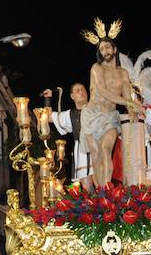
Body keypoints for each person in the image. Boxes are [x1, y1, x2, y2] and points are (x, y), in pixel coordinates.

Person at [80, 21, 143, 187]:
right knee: (96, 155)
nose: (105, 51)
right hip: (91, 116)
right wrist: (129, 102)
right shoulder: (97, 68)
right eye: (101, 49)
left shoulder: (123, 74)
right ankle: (101, 194)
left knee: (106, 149)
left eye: (107, 47)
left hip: (110, 118)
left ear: (114, 49)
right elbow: (102, 91)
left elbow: (127, 96)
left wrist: (133, 112)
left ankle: (107, 191)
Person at [44, 84, 94, 190]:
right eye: (77, 90)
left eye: (83, 89)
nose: (81, 92)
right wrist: (48, 98)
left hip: (99, 148)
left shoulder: (98, 109)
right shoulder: (70, 114)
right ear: (72, 96)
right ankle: (95, 205)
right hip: (82, 152)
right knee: (87, 186)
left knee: (102, 182)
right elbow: (48, 117)